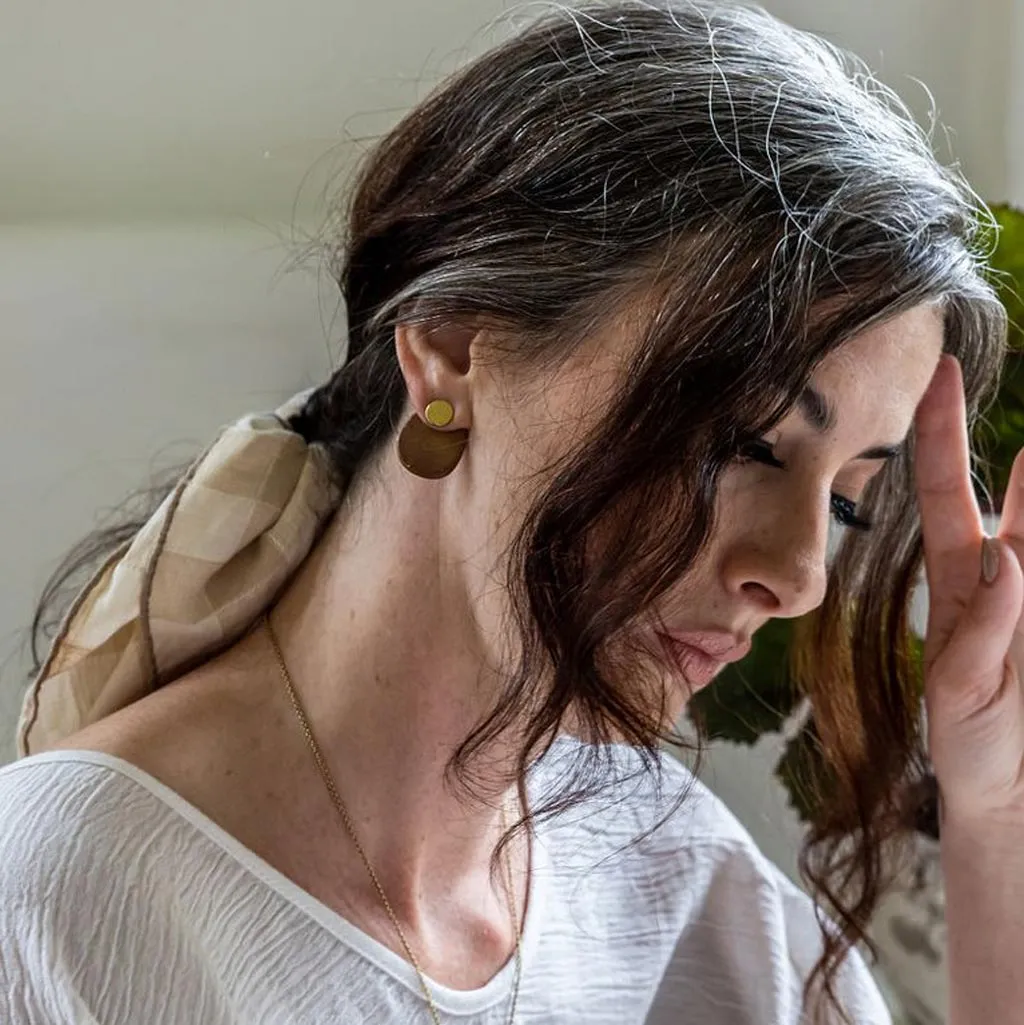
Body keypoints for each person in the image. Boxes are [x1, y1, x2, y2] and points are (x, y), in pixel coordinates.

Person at [2, 1, 1022, 1022]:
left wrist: (993, 811)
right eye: (740, 441)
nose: (800, 574)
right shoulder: (61, 903)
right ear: (450, 340)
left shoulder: (701, 903)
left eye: (847, 500)